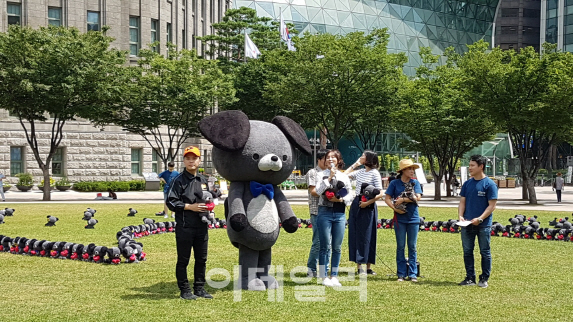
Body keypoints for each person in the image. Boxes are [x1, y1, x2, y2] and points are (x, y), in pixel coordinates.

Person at [167, 146, 213, 300]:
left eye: (194, 158)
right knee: (183, 260)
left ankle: (199, 288)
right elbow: (171, 202)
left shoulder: (203, 179)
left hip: (201, 226)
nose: (191, 161)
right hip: (185, 227)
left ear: (199, 161)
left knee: (201, 259)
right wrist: (189, 207)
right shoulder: (178, 180)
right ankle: (185, 290)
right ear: (184, 160)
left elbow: (209, 198)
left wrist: (210, 206)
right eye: (188, 158)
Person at [458, 155, 498, 288]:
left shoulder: (489, 184)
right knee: (467, 251)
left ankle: (484, 278)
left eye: (472, 166)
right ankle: (470, 278)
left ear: (481, 166)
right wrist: (461, 216)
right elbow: (462, 202)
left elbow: (491, 205)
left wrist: (480, 218)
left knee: (484, 251)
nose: (470, 168)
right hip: (467, 224)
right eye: (469, 165)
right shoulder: (467, 184)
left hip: (483, 225)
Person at [315, 149, 353, 287]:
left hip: (340, 213)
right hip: (324, 212)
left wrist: (341, 200)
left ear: (338, 160)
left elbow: (350, 195)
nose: (330, 160)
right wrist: (329, 178)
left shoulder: (344, 177)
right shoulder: (320, 175)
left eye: (333, 157)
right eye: (328, 157)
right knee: (325, 245)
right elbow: (318, 192)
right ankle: (323, 276)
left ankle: (334, 275)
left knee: (337, 246)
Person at [345, 150, 383, 276]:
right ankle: (359, 266)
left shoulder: (374, 173)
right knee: (356, 233)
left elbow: (380, 192)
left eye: (363, 156)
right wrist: (355, 165)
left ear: (369, 159)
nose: (360, 157)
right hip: (357, 202)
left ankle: (368, 266)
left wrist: (368, 203)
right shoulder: (360, 172)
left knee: (367, 234)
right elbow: (344, 176)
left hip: (368, 204)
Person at [384, 159, 423, 282]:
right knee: (400, 246)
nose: (412, 171)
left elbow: (418, 197)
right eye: (409, 169)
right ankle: (401, 273)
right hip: (399, 219)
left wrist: (403, 200)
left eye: (413, 169)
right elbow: (387, 198)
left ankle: (412, 274)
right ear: (403, 171)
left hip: (413, 219)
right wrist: (395, 208)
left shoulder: (415, 183)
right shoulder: (394, 183)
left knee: (412, 246)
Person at [305, 149, 331, 278]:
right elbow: (313, 191)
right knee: (318, 241)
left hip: (330, 210)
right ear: (319, 159)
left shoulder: (331, 173)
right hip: (317, 210)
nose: (329, 161)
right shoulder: (313, 173)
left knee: (329, 242)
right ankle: (311, 268)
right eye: (326, 159)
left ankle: (325, 268)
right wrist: (326, 189)